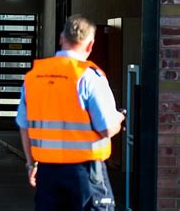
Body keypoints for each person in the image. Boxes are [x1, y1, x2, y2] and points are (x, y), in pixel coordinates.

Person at [16, 15, 125, 210]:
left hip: (48, 171)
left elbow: (24, 126)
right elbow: (106, 128)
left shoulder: (33, 77)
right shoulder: (89, 77)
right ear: (90, 45)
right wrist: (119, 118)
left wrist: (31, 164)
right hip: (85, 171)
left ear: (60, 38)